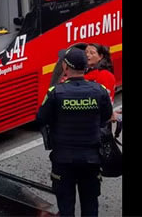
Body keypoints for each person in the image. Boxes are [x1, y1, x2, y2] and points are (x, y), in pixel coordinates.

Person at [37, 47, 113, 217]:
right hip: (91, 160)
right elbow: (107, 116)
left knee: (65, 207)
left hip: (63, 160)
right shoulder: (99, 90)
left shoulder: (55, 93)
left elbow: (41, 119)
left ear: (65, 67)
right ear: (85, 68)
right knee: (90, 206)